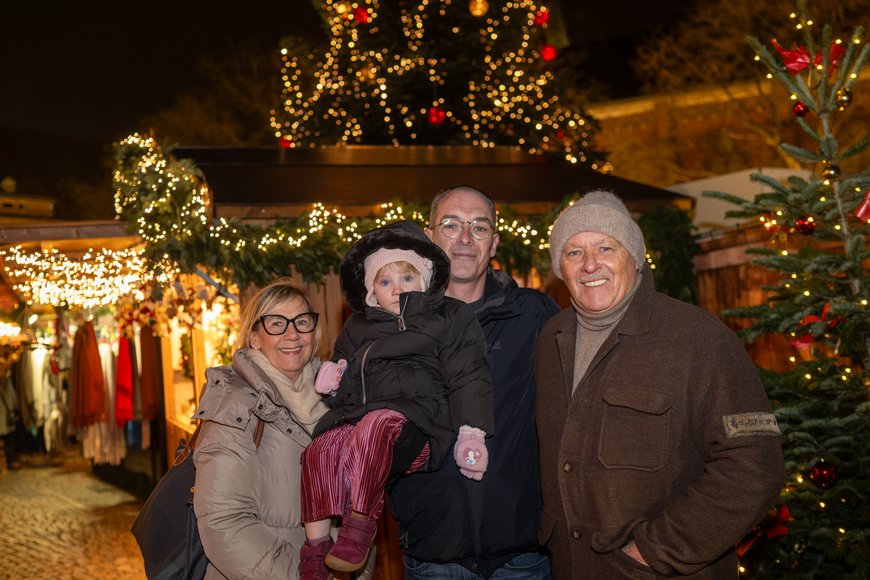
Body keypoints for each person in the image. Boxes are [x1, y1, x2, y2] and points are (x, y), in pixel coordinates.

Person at [536, 190, 785, 578]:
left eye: (606, 247)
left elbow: (754, 466)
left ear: (635, 258)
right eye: (573, 252)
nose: (589, 265)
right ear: (560, 268)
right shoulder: (549, 339)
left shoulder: (699, 339)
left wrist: (654, 550)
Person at [300, 220, 494, 579]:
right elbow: (346, 376)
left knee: (378, 423)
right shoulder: (359, 326)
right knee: (318, 448)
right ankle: (316, 550)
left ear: (425, 277)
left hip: (420, 426)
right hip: (364, 420)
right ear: (372, 290)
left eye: (406, 279)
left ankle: (360, 526)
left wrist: (472, 432)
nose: (397, 290)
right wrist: (334, 379)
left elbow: (469, 373)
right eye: (385, 282)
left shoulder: (448, 316)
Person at [389, 185, 560, 579]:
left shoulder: (534, 316)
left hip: (523, 555)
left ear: (494, 242)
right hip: (434, 553)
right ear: (429, 239)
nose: (465, 239)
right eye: (451, 225)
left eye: (479, 228)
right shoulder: (391, 321)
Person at [191, 278, 374, 579]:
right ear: (254, 337)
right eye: (277, 324)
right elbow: (224, 522)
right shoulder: (234, 406)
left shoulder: (337, 401)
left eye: (302, 322)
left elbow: (356, 509)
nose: (292, 334)